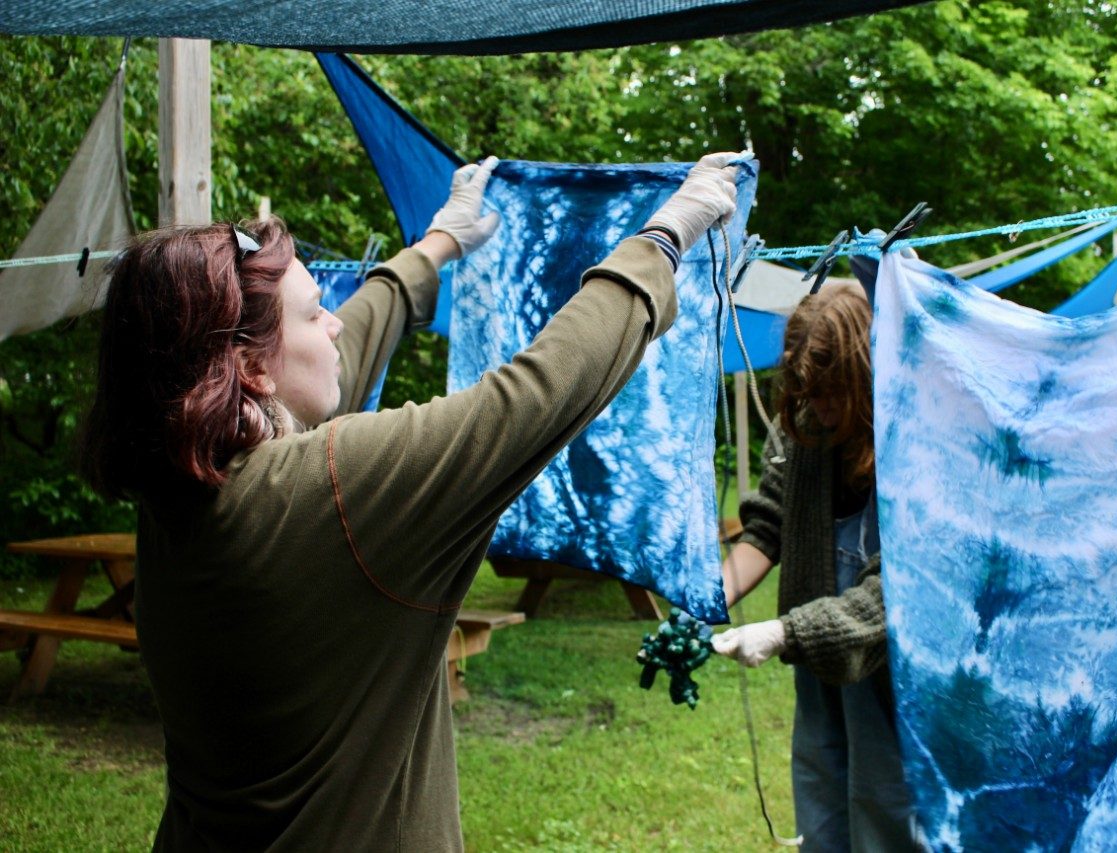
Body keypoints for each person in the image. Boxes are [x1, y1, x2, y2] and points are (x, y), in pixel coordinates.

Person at [82, 151, 744, 851]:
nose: (335, 322)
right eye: (315, 313)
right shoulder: (329, 494)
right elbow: (535, 398)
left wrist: (438, 245)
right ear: (249, 367)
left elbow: (346, 339)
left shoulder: (180, 488)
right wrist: (664, 238)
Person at [711, 283, 924, 852]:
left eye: (832, 393)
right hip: (818, 661)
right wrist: (703, 598)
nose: (820, 407)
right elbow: (766, 529)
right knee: (820, 799)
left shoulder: (914, 440)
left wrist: (783, 631)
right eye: (807, 392)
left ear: (865, 374)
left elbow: (897, 592)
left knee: (886, 808)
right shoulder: (800, 425)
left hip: (892, 673)